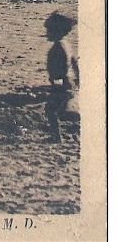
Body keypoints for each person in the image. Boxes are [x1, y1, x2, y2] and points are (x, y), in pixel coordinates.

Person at [44, 12, 80, 143]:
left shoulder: (58, 47)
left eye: (49, 30)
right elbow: (75, 63)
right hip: (68, 83)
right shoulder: (66, 44)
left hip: (62, 84)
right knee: (56, 109)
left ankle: (57, 137)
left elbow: (64, 65)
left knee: (51, 110)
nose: (47, 33)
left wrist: (58, 80)